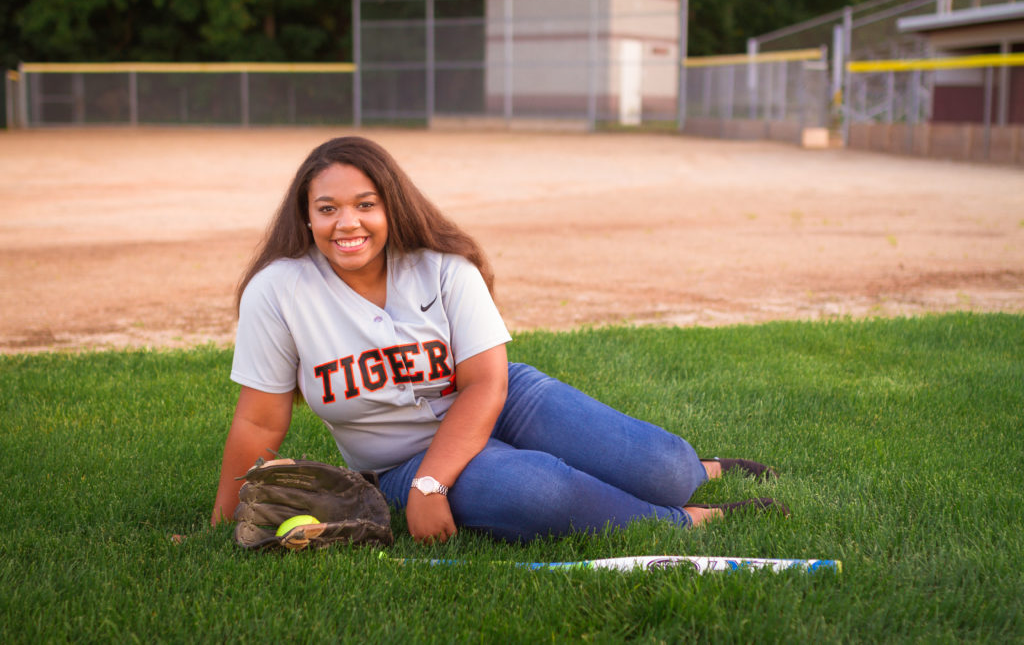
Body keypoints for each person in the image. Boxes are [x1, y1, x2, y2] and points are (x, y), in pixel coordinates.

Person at [210, 136, 787, 544]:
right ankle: (689, 521)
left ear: (391, 206)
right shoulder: (279, 290)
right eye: (327, 209)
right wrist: (223, 522)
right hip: (399, 459)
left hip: (499, 400)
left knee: (663, 470)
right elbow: (260, 423)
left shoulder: (440, 266)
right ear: (306, 218)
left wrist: (438, 483)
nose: (348, 223)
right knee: (534, 491)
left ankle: (698, 473)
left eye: (366, 205)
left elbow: (486, 381)